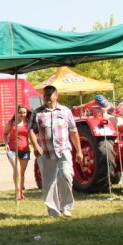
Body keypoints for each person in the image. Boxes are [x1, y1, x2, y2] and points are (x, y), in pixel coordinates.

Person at [29, 85, 84, 218]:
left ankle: (66, 207)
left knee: (66, 176)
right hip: (45, 152)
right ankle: (53, 211)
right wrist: (36, 146)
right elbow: (31, 130)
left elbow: (73, 131)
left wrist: (79, 151)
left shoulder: (66, 111)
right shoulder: (37, 113)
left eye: (49, 94)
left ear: (56, 95)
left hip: (63, 150)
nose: (47, 97)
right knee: (48, 182)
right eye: (45, 95)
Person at [3, 105, 32, 200]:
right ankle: (17, 191)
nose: (22, 114)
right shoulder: (11, 123)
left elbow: (32, 135)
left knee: (22, 173)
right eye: (20, 112)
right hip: (12, 150)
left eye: (24, 112)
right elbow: (5, 134)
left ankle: (21, 192)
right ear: (16, 112)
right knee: (17, 169)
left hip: (25, 150)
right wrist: (6, 143)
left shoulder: (28, 123)